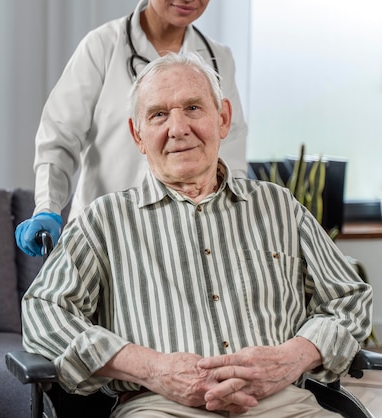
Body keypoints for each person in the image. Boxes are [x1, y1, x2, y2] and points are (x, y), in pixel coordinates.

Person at [21, 52, 372, 417]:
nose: (178, 128)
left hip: (286, 404)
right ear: (137, 134)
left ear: (222, 118)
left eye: (192, 108)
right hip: (160, 407)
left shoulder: (279, 206)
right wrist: (153, 368)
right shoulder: (105, 220)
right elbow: (43, 312)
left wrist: (290, 358)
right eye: (158, 114)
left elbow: (349, 298)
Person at [15, 0, 248, 257]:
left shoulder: (218, 58)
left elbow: (231, 154)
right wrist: (47, 207)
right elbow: (59, 139)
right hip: (104, 238)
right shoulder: (102, 47)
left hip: (187, 243)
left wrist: (233, 223)